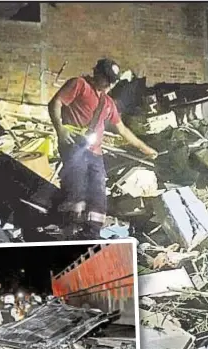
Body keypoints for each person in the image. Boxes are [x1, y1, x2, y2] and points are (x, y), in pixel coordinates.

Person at [48, 58, 158, 240]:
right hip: (75, 146)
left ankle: (92, 232)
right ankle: (71, 228)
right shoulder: (79, 85)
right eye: (106, 79)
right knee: (77, 186)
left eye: (112, 80)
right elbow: (56, 103)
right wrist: (60, 130)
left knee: (98, 191)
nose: (109, 84)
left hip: (95, 153)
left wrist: (146, 149)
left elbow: (122, 129)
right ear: (97, 73)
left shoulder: (107, 102)